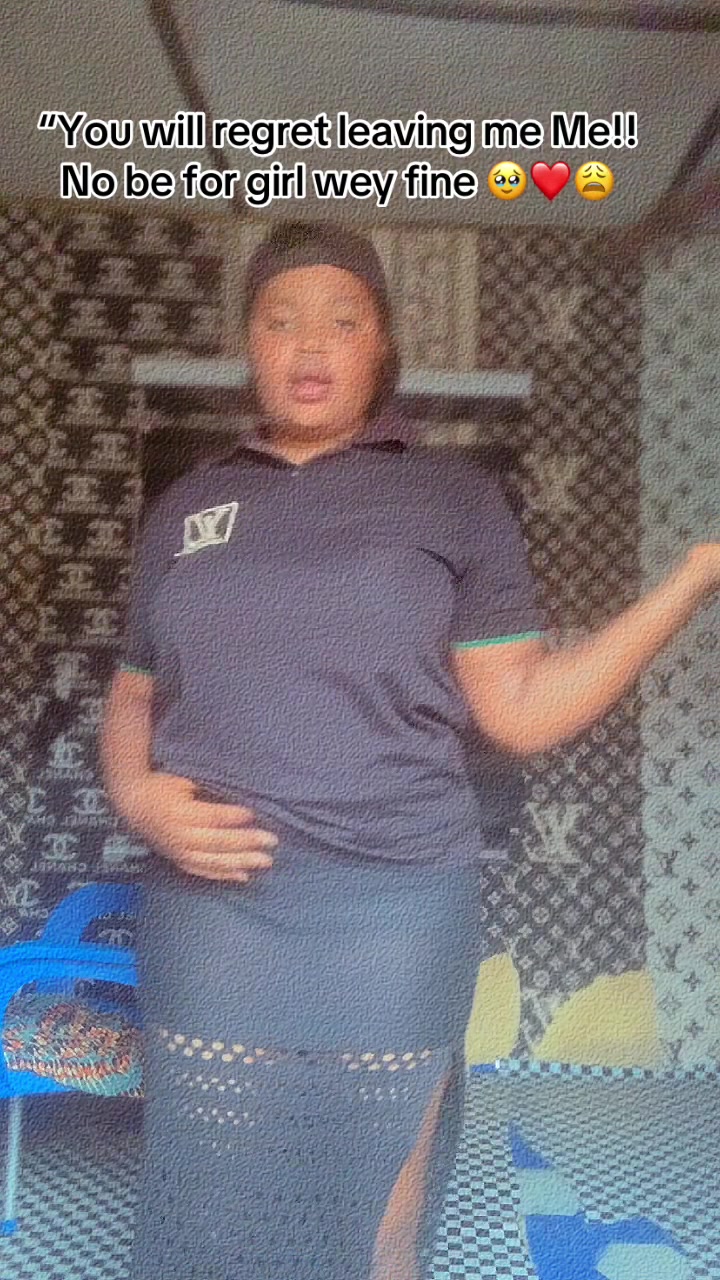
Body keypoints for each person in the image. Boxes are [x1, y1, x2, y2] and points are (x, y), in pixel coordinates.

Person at [100, 219, 720, 1280]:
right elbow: (132, 692)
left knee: (378, 1212)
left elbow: (520, 710)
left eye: (342, 321)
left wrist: (693, 578)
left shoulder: (452, 498)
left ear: (382, 343)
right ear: (248, 343)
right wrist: (138, 795)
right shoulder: (189, 505)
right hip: (215, 910)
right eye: (280, 320)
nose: (309, 344)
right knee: (210, 1197)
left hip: (394, 906)